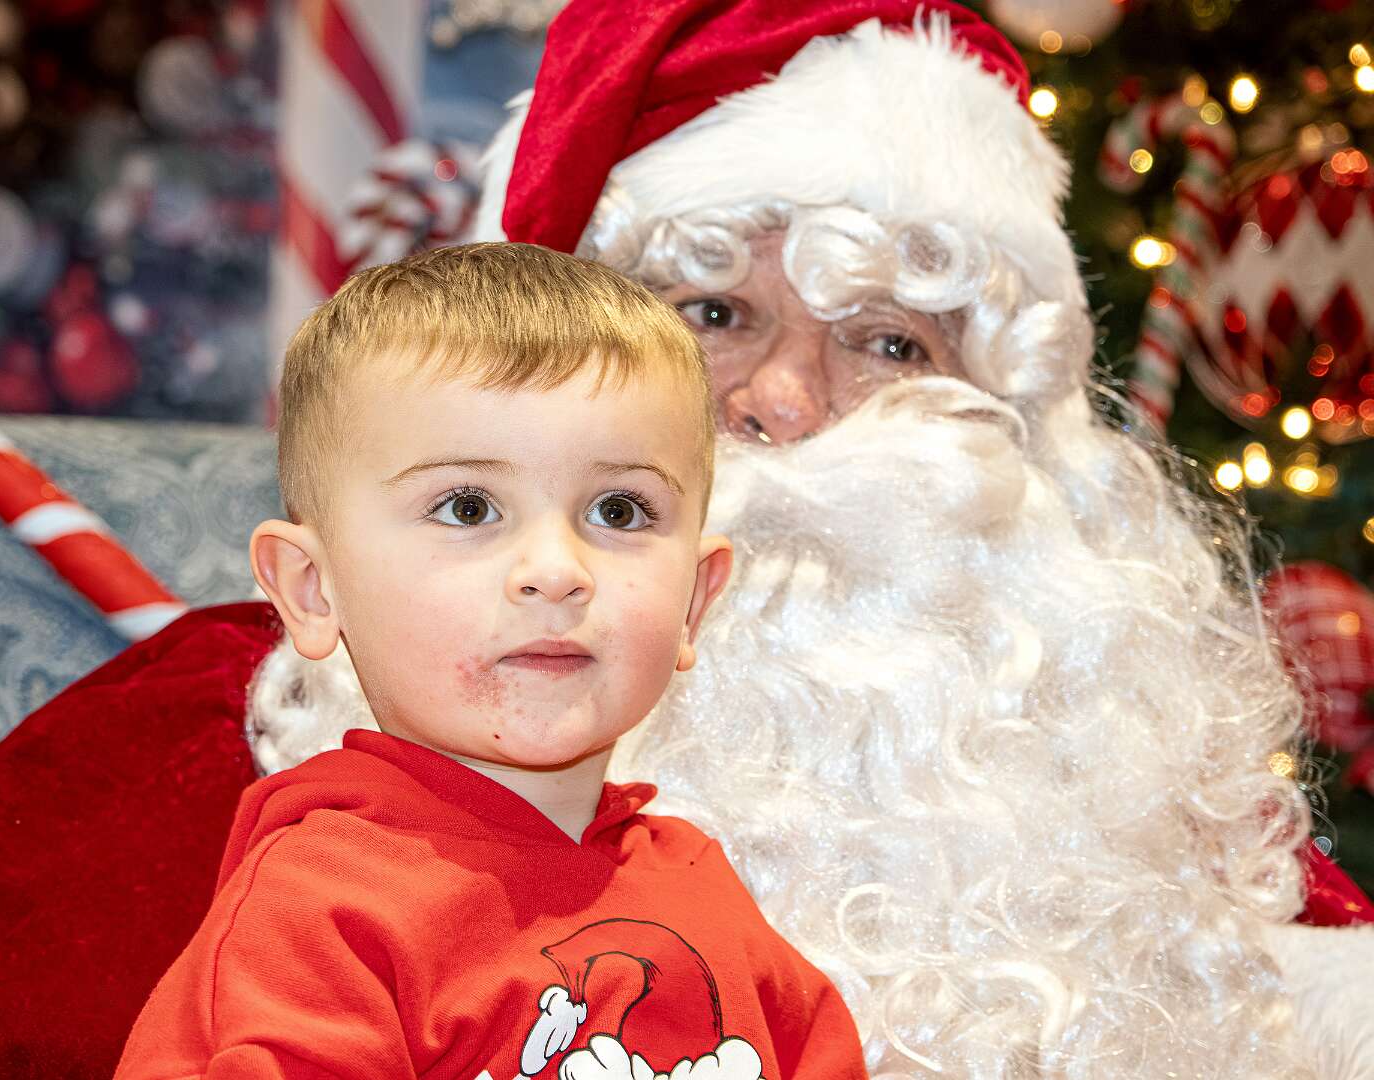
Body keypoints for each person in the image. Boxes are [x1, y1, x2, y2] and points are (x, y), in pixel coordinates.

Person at [246, 2, 1374, 1078]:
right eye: (714, 314)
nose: (784, 404)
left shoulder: (1146, 841)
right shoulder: (291, 848)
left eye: (887, 342)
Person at [114, 243, 866, 1080]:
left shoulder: (709, 900)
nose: (556, 570)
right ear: (315, 589)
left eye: (619, 510)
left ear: (694, 600)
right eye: (468, 508)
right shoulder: (317, 918)